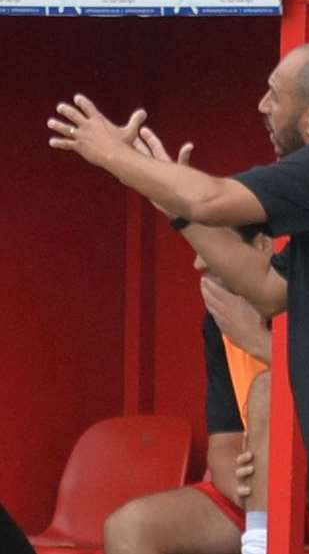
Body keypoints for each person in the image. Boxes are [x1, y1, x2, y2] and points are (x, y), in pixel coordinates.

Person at [47, 40, 309, 554]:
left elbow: (209, 199)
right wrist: (162, 192)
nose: (262, 105)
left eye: (275, 95)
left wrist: (112, 155)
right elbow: (266, 287)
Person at [103, 230, 273, 554]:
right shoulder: (219, 322)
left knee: (268, 390)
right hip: (253, 494)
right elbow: (224, 443)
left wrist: (258, 340)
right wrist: (245, 487)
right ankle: (259, 535)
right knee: (129, 528)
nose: (197, 263)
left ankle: (260, 541)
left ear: (263, 246)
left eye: (209, 247)